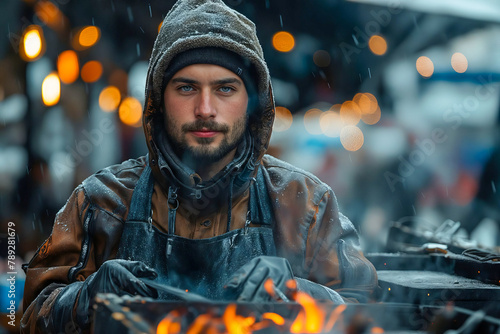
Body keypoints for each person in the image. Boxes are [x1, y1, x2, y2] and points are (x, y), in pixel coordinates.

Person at [21, 0, 377, 332]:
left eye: (225, 89)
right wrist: (84, 299)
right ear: (159, 99)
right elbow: (28, 316)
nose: (205, 109)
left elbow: (367, 313)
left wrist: (299, 292)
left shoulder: (304, 205)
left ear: (252, 103)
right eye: (187, 88)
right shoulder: (101, 203)